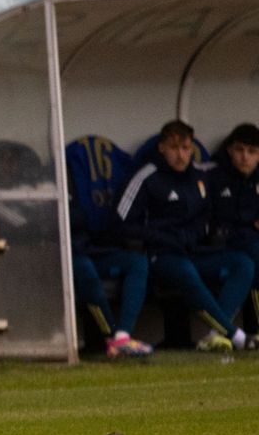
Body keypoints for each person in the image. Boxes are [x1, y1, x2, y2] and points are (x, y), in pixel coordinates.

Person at [117, 120, 255, 352]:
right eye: (174, 148)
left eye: (186, 148)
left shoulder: (200, 177)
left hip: (193, 251)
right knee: (185, 272)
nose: (180, 155)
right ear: (162, 148)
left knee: (242, 263)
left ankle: (214, 334)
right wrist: (161, 237)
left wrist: (200, 235)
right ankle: (234, 335)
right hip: (161, 255)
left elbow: (208, 214)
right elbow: (120, 223)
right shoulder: (147, 177)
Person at [64, 136, 152, 358]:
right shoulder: (56, 178)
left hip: (96, 248)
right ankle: (110, 337)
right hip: (66, 253)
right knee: (84, 269)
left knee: (136, 261)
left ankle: (122, 336)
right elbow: (64, 220)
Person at [208, 122, 259, 340]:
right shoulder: (212, 175)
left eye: (252, 152)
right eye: (240, 150)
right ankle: (236, 329)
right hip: (220, 243)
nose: (245, 157)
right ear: (230, 150)